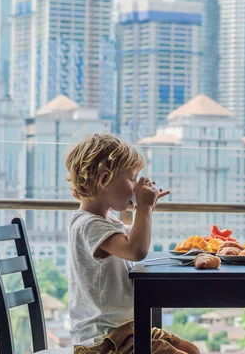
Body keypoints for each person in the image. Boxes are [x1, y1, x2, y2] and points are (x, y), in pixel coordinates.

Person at [65, 133, 199, 353]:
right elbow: (135, 250)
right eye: (132, 178)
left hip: (125, 329)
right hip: (103, 340)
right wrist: (144, 209)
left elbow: (134, 237)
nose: (136, 186)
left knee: (191, 350)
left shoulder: (104, 220)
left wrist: (144, 209)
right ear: (104, 179)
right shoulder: (88, 224)